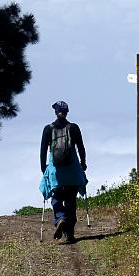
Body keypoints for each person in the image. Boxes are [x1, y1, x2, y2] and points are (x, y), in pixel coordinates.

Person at [39, 100, 88, 243]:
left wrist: (44, 169)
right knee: (71, 201)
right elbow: (81, 147)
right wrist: (83, 164)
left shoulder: (48, 129)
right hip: (72, 169)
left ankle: (60, 218)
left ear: (55, 112)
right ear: (67, 112)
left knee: (56, 198)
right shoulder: (73, 128)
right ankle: (70, 234)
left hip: (56, 171)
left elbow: (42, 151)